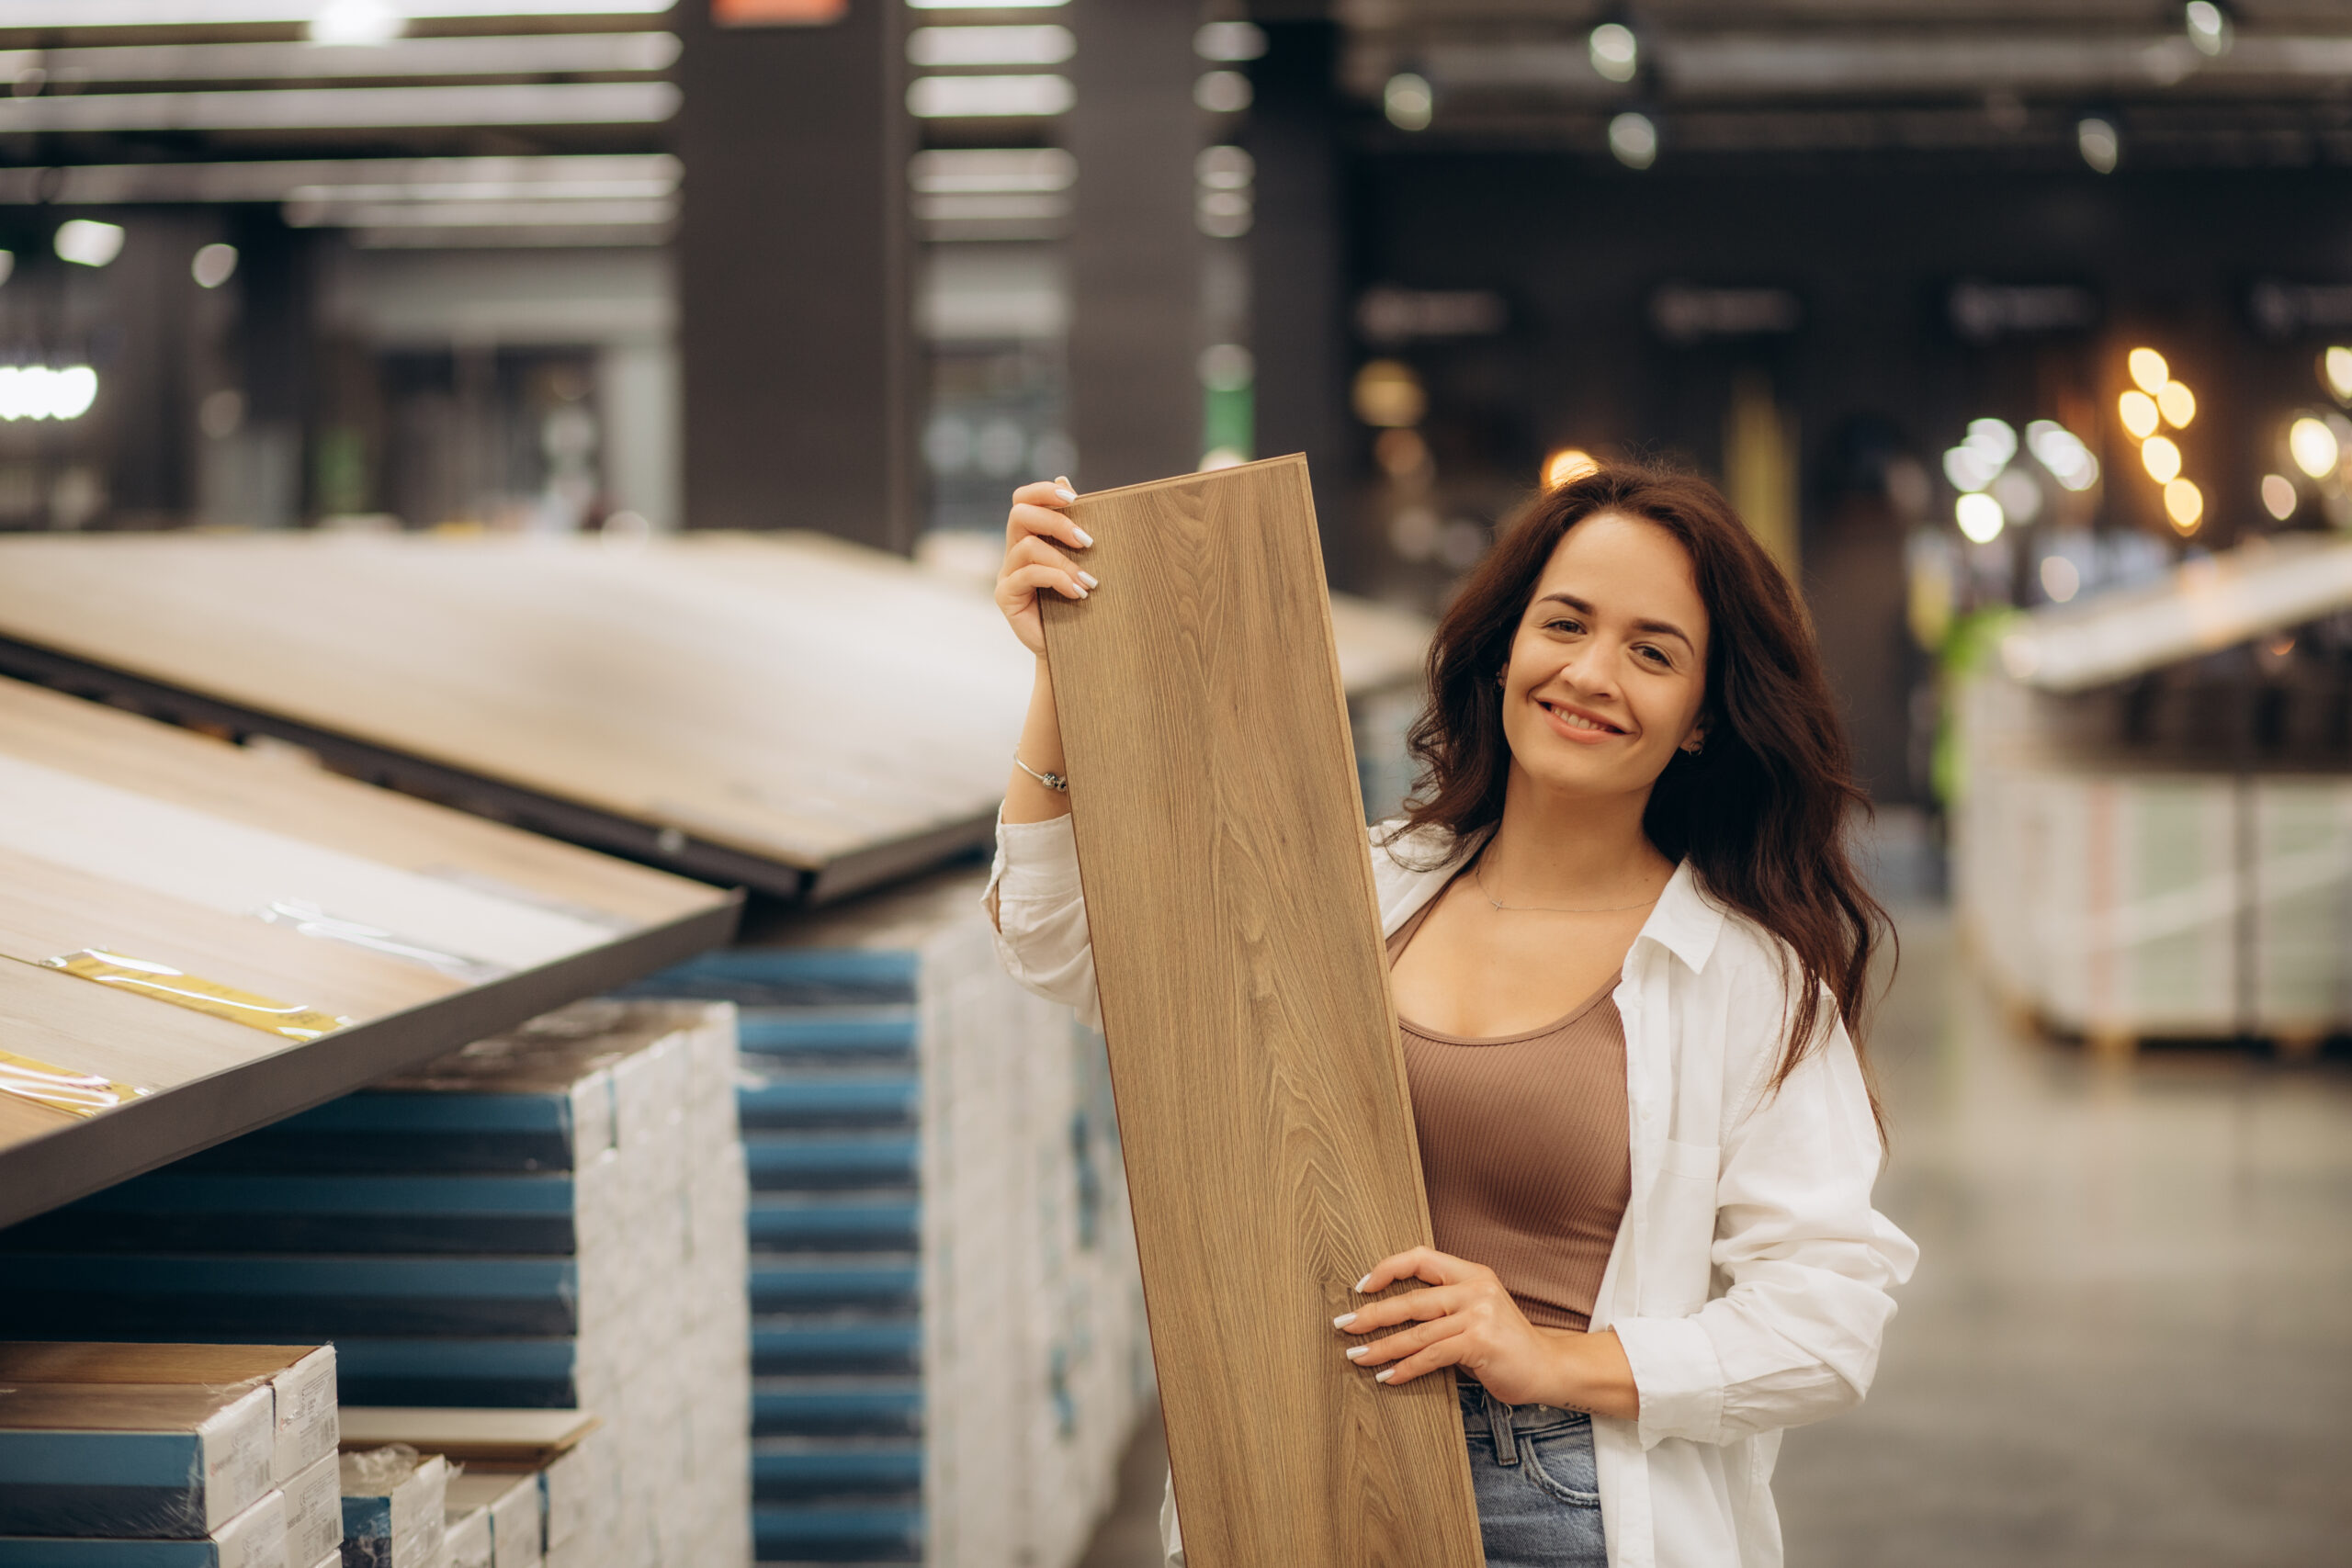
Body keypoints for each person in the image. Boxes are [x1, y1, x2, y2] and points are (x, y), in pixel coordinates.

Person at [981, 463, 1918, 1568]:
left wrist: (1549, 1358)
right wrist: (1062, 668)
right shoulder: (1358, 884)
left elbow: (1827, 1318)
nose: (1588, 672)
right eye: (1562, 624)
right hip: (1281, 1473)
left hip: (1560, 1503)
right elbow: (1063, 944)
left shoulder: (1746, 974)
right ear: (1506, 645)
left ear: (1704, 718)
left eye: (1651, 652)